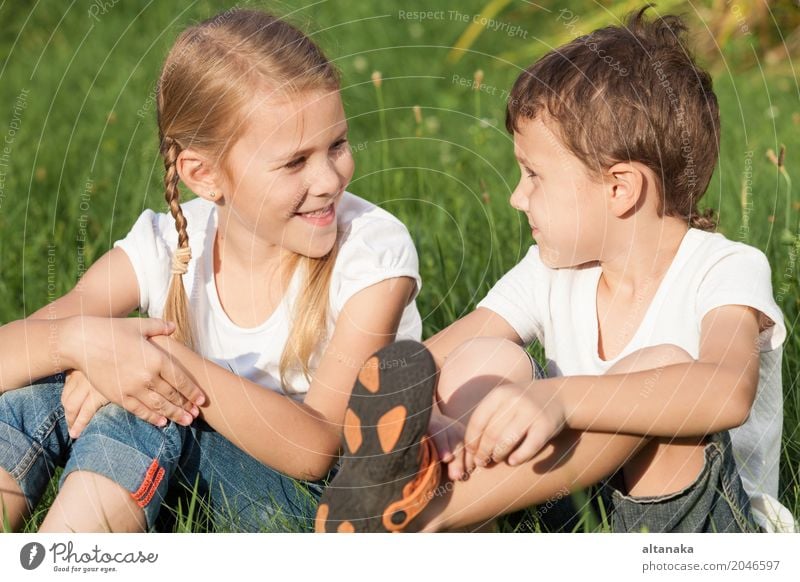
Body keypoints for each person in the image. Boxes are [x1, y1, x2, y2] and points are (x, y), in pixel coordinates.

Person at [315, 7, 792, 533]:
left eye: (534, 175)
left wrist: (559, 397)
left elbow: (724, 391)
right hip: (572, 502)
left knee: (658, 366)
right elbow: (426, 364)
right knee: (487, 360)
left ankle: (419, 522)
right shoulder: (551, 269)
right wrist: (425, 425)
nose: (518, 198)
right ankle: (417, 482)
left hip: (693, 532)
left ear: (620, 189)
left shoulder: (725, 268)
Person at [0, 9, 421, 532]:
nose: (330, 178)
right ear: (203, 175)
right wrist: (84, 345)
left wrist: (157, 362)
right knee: (32, 396)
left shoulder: (372, 254)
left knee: (143, 406)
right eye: (294, 162)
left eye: (336, 144)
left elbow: (316, 448)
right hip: (193, 463)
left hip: (315, 503)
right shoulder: (167, 244)